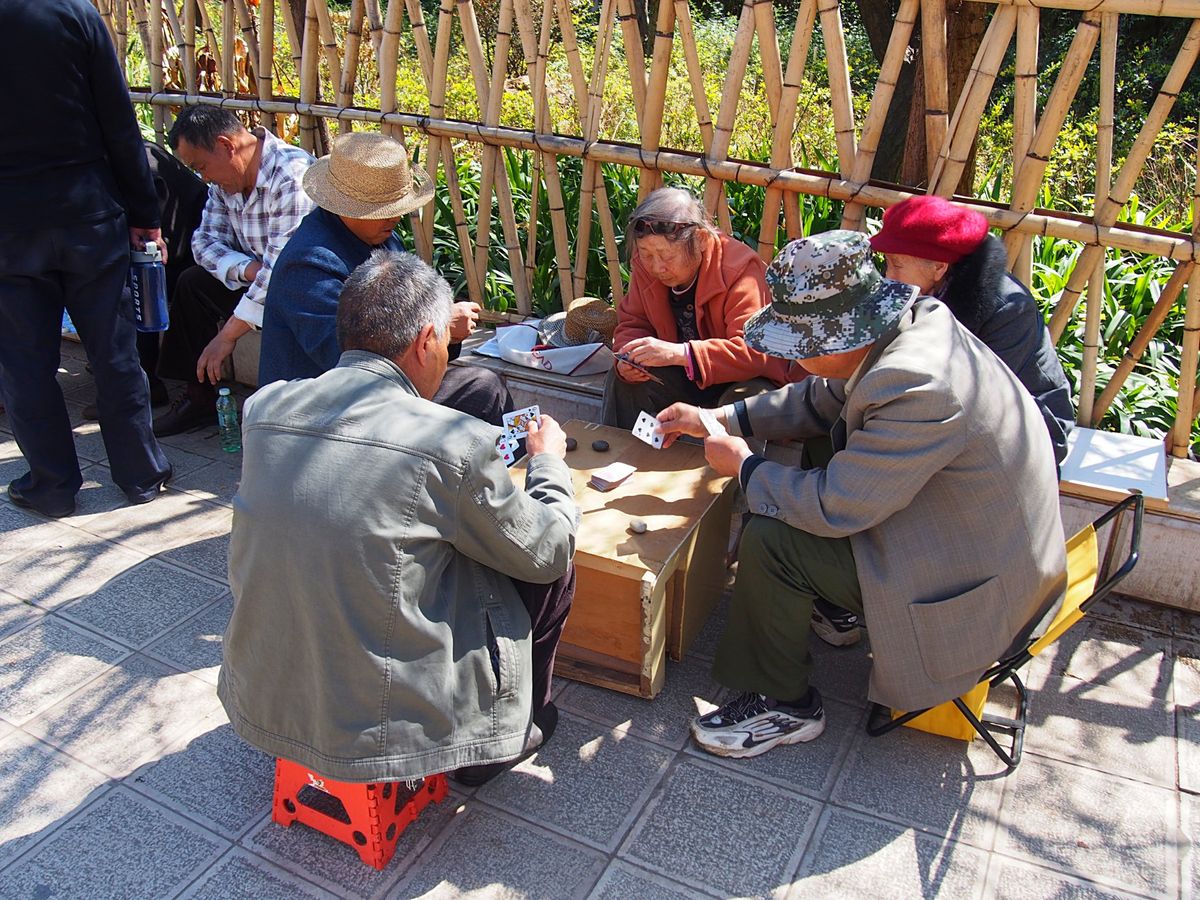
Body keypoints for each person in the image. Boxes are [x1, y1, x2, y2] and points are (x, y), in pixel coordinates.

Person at [657, 231, 1067, 759]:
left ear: (837, 338)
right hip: (973, 540)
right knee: (820, 445)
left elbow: (834, 506)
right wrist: (717, 417)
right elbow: (821, 398)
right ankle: (837, 608)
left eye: (801, 346)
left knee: (773, 539)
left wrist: (745, 467)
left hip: (976, 591)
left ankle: (784, 704)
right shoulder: (906, 326)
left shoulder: (916, 385)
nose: (796, 359)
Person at [219, 249, 578, 786]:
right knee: (548, 564)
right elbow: (547, 551)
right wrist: (548, 462)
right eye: (446, 343)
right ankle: (495, 742)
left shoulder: (265, 407)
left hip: (263, 696)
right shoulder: (453, 442)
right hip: (384, 727)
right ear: (426, 341)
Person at [0, 0, 172, 518]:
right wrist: (144, 211)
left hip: (10, 224)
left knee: (24, 362)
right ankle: (141, 474)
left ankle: (51, 486)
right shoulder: (74, 13)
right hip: (88, 213)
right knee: (114, 350)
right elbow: (119, 121)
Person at [260, 132, 508, 424]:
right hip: (321, 413)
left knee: (483, 387)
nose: (395, 217)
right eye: (383, 210)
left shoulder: (381, 238)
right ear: (345, 206)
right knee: (482, 389)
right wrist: (441, 329)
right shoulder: (308, 265)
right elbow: (349, 361)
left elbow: (408, 317)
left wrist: (439, 331)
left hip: (373, 391)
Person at [870, 194, 1075, 467]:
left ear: (939, 267)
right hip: (950, 415)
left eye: (896, 264)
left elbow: (976, 396)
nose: (888, 275)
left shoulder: (1007, 310)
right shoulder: (916, 290)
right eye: (887, 263)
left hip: (1031, 427)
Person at [152, 105, 314, 436]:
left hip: (303, 289)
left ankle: (291, 417)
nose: (204, 178)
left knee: (284, 288)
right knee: (192, 282)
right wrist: (248, 269)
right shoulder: (224, 182)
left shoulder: (291, 175)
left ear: (226, 146)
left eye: (201, 167)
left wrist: (227, 336)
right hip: (258, 279)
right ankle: (198, 397)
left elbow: (284, 271)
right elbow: (203, 244)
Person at [602, 187, 788, 428]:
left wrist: (681, 354)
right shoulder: (646, 268)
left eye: (667, 256)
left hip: (746, 380)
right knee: (624, 381)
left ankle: (731, 456)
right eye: (647, 255)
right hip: (685, 375)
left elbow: (754, 351)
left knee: (744, 401)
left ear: (700, 239)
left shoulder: (740, 270)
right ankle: (621, 450)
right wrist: (628, 360)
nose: (657, 267)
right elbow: (634, 322)